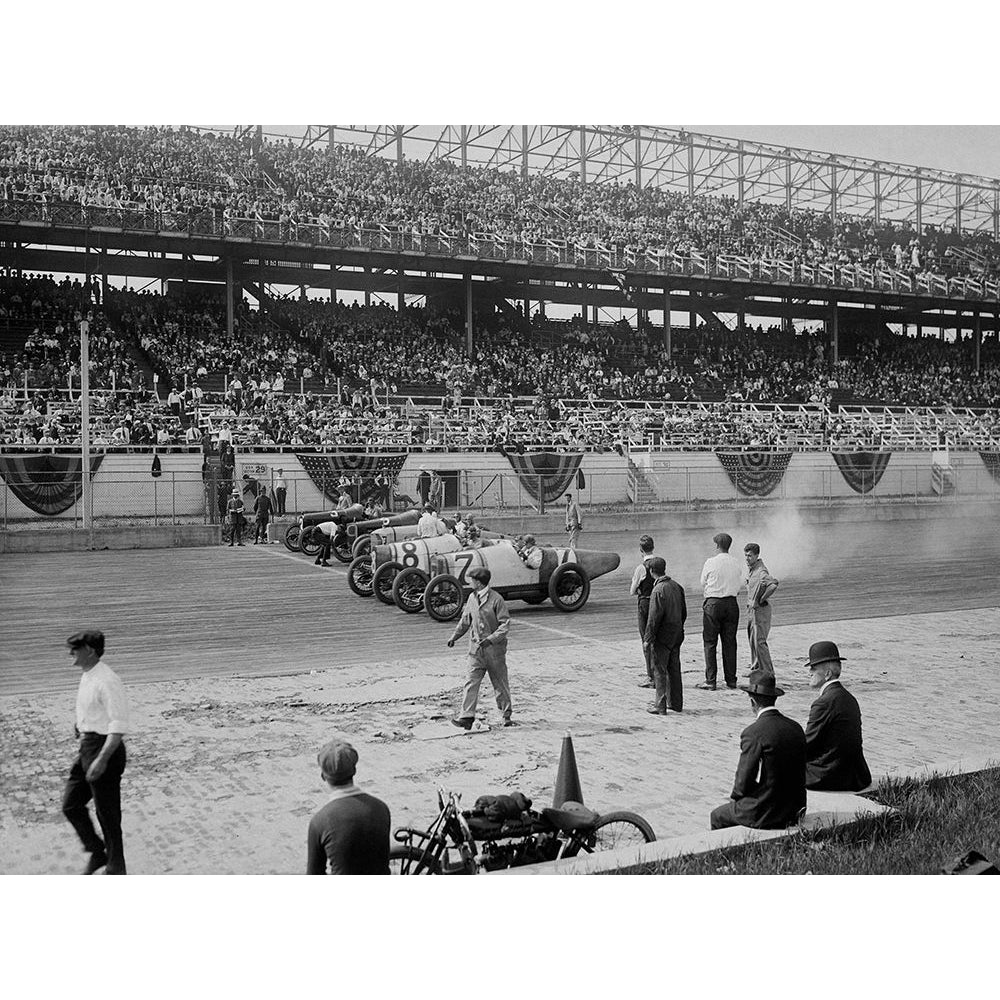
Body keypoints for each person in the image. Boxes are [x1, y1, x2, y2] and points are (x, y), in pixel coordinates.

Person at [61, 630, 130, 874]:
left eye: (75, 648)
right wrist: (80, 726)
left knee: (107, 814)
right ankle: (97, 851)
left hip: (105, 751)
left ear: (89, 650)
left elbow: (118, 725)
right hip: (87, 747)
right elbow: (93, 709)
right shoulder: (88, 674)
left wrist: (102, 760)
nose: (70, 653)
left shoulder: (107, 680)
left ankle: (116, 866)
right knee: (71, 805)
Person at [709, 673, 806, 830]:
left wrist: (738, 799)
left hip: (767, 812)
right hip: (795, 808)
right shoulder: (795, 727)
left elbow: (744, 779)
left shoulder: (753, 732)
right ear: (774, 698)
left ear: (752, 702)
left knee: (717, 816)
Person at [306, 738, 391, 875]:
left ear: (323, 776)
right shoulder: (381, 808)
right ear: (354, 771)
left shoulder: (320, 821)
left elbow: (314, 873)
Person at [447, 567, 512, 728]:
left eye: (471, 580)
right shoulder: (471, 598)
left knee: (500, 684)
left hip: (494, 652)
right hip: (476, 650)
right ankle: (467, 717)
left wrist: (491, 639)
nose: (469, 582)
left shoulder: (497, 600)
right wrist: (454, 637)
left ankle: (506, 715)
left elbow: (505, 625)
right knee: (471, 681)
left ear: (478, 582)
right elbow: (465, 620)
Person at [803, 641, 873, 791]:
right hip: (857, 775)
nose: (809, 672)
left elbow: (807, 745)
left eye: (813, 668)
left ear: (827, 674)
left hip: (828, 776)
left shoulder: (823, 703)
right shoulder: (848, 697)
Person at [698, 532, 745, 691]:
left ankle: (711, 680)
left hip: (713, 603)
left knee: (710, 643)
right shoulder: (736, 562)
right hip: (732, 603)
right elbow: (739, 582)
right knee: (730, 642)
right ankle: (731, 680)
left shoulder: (710, 562)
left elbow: (702, 582)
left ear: (716, 546)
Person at [642, 556, 687, 715]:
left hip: (663, 636)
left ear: (652, 572)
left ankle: (660, 705)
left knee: (659, 669)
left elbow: (653, 618)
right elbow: (684, 612)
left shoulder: (658, 590)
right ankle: (676, 703)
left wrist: (648, 639)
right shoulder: (677, 586)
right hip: (677, 633)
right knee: (674, 668)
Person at [744, 542, 779, 677]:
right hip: (752, 611)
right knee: (753, 640)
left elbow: (773, 585)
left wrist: (762, 599)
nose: (747, 558)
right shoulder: (753, 569)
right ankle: (756, 668)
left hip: (760, 611)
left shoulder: (761, 571)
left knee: (760, 642)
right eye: (746, 556)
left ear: (757, 555)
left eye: (750, 556)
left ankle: (768, 672)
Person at [628, 534, 658, 688]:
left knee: (646, 640)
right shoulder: (659, 564)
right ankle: (659, 672)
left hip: (645, 603)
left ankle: (651, 676)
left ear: (641, 550)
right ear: (653, 547)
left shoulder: (641, 568)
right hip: (659, 601)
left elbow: (632, 591)